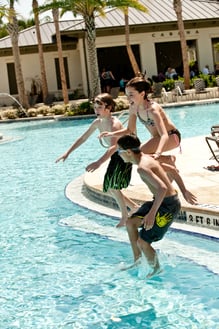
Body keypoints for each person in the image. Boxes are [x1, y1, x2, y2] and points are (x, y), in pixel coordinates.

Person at [55, 93, 138, 227]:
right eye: (95, 107)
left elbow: (113, 147)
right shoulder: (98, 122)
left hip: (125, 155)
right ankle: (133, 207)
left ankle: (125, 216)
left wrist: (99, 162)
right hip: (117, 155)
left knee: (112, 186)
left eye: (99, 107)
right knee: (110, 188)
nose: (96, 110)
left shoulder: (114, 124)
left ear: (109, 107)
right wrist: (68, 152)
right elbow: (83, 138)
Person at [116, 134, 182, 278]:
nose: (118, 155)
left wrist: (152, 213)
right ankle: (138, 260)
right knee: (130, 223)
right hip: (163, 201)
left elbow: (163, 188)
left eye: (118, 151)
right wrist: (184, 191)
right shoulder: (147, 157)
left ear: (128, 152)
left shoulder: (142, 167)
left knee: (143, 242)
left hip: (167, 206)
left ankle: (157, 269)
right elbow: (171, 168)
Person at [100, 76, 181, 160]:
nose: (128, 98)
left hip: (171, 137)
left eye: (131, 95)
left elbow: (164, 135)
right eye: (127, 95)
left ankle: (168, 160)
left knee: (138, 154)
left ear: (142, 94)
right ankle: (169, 160)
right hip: (157, 138)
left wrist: (158, 152)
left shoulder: (152, 109)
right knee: (136, 156)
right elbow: (130, 129)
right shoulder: (133, 108)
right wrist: (111, 134)